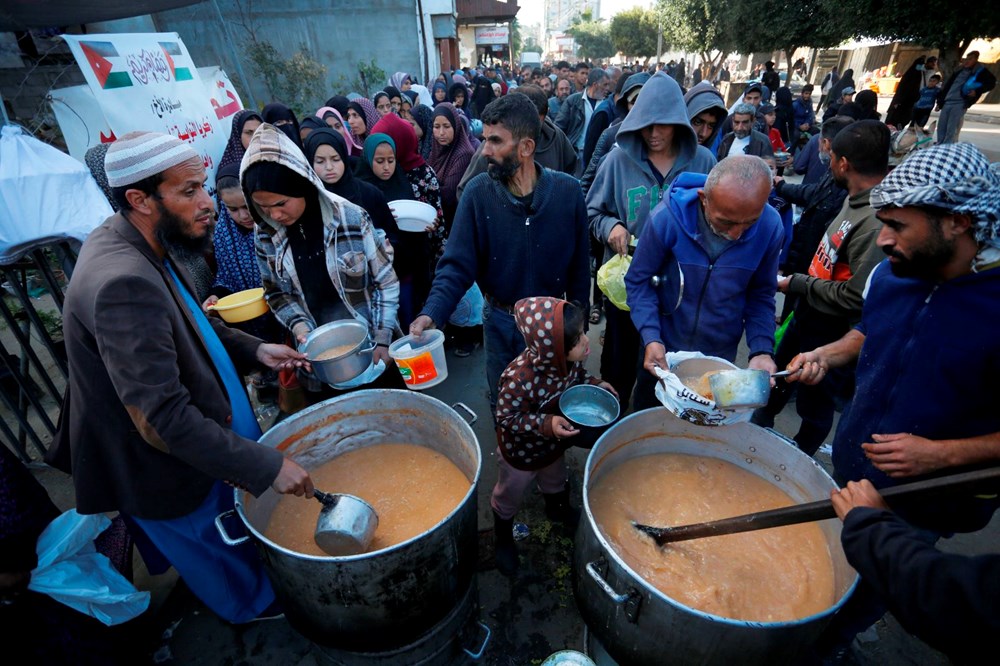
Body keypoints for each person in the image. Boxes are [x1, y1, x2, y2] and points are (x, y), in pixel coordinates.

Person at [54, 131, 313, 624]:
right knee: (217, 553)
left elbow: (190, 321)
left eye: (203, 188)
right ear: (139, 199)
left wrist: (256, 349)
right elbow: (162, 419)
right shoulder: (121, 281)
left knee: (233, 536)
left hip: (205, 437)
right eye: (189, 190)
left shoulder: (140, 235)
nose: (208, 204)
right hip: (165, 464)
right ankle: (254, 614)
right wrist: (266, 466)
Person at [786, 141, 1000, 650]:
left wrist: (938, 455)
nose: (882, 239)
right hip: (855, 465)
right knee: (823, 569)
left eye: (898, 226)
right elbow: (871, 331)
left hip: (924, 500)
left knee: (870, 594)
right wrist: (829, 353)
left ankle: (830, 647)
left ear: (959, 222)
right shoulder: (893, 273)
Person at [409, 94, 591, 408]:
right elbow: (456, 265)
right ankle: (507, 452)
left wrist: (577, 324)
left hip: (553, 321)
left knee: (551, 401)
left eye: (495, 141)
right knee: (504, 400)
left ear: (526, 147)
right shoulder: (478, 194)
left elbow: (579, 267)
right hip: (501, 323)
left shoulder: (567, 192)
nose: (485, 150)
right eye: (484, 140)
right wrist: (432, 311)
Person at [754, 120, 889, 455]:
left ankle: (798, 457)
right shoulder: (852, 197)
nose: (827, 162)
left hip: (832, 330)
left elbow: (857, 297)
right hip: (808, 312)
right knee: (779, 376)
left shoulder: (874, 222)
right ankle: (757, 433)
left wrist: (796, 283)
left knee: (815, 401)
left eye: (831, 157)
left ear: (843, 163)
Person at [586, 72, 716, 406]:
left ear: (678, 123)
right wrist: (610, 225)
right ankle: (610, 427)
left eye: (663, 124)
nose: (653, 134)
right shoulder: (617, 161)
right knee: (619, 362)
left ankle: (653, 426)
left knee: (666, 368)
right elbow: (591, 212)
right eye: (646, 124)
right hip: (628, 283)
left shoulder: (703, 162)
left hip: (681, 287)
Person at [243, 124, 403, 392]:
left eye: (281, 203)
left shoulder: (351, 218)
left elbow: (386, 282)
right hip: (318, 362)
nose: (275, 215)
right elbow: (276, 292)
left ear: (303, 185)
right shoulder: (266, 234)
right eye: (263, 207)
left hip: (372, 350)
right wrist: (301, 328)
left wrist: (383, 339)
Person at [626, 156, 783, 410]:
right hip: (661, 350)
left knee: (704, 426)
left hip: (719, 354)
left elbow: (762, 294)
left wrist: (762, 350)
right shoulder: (667, 218)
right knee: (648, 415)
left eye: (750, 222)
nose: (737, 234)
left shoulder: (771, 226)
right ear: (703, 198)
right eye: (726, 222)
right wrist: (651, 336)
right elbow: (638, 282)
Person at [490, 298, 616, 574]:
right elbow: (506, 417)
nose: (586, 341)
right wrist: (547, 423)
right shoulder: (519, 378)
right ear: (552, 350)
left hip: (551, 445)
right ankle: (502, 537)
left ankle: (557, 509)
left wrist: (596, 384)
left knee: (556, 479)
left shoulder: (567, 364)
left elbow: (578, 378)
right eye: (578, 338)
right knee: (509, 493)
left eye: (584, 332)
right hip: (520, 452)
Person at [831, 479, 1000, 665]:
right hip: (866, 485)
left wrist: (871, 529)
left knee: (870, 597)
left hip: (932, 510)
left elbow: (960, 602)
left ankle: (833, 644)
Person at [354, 132, 431, 330]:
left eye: (391, 160)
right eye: (380, 161)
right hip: (375, 274)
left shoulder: (401, 181)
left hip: (404, 267)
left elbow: (414, 224)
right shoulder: (360, 190)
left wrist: (427, 225)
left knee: (408, 316)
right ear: (369, 159)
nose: (387, 167)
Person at [457, 85, 577, 199]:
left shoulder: (555, 136)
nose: (528, 130)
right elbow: (465, 191)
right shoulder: (492, 147)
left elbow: (570, 168)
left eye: (536, 122)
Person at [370, 112, 447, 264]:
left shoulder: (423, 175)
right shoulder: (374, 173)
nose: (386, 165)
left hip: (421, 252)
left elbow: (436, 220)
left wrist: (433, 224)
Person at [936, 50, 997, 144]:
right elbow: (948, 86)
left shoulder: (980, 71)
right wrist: (940, 102)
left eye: (970, 59)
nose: (967, 61)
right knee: (941, 127)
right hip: (947, 102)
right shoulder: (958, 70)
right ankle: (939, 146)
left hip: (959, 103)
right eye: (966, 59)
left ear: (976, 60)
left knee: (951, 129)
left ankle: (947, 148)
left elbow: (991, 83)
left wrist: (977, 91)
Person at [556, 68, 610, 171]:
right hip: (577, 154)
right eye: (605, 85)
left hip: (600, 156)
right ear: (595, 85)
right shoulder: (573, 101)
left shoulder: (607, 104)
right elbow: (559, 128)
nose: (608, 88)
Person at [684, 81, 728, 152]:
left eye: (711, 126)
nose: (703, 134)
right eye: (698, 123)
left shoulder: (708, 161)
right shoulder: (662, 153)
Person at [884, 56, 927, 128]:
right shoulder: (909, 75)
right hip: (901, 103)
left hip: (909, 104)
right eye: (920, 64)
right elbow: (901, 89)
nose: (921, 67)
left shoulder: (920, 76)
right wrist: (898, 101)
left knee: (902, 121)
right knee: (894, 121)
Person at [791, 84, 819, 151]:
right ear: (802, 93)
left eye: (809, 94)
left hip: (806, 125)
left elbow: (810, 115)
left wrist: (807, 123)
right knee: (796, 135)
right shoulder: (795, 104)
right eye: (806, 93)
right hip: (796, 126)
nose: (808, 96)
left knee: (817, 131)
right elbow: (791, 119)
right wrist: (799, 126)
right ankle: (791, 152)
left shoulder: (809, 103)